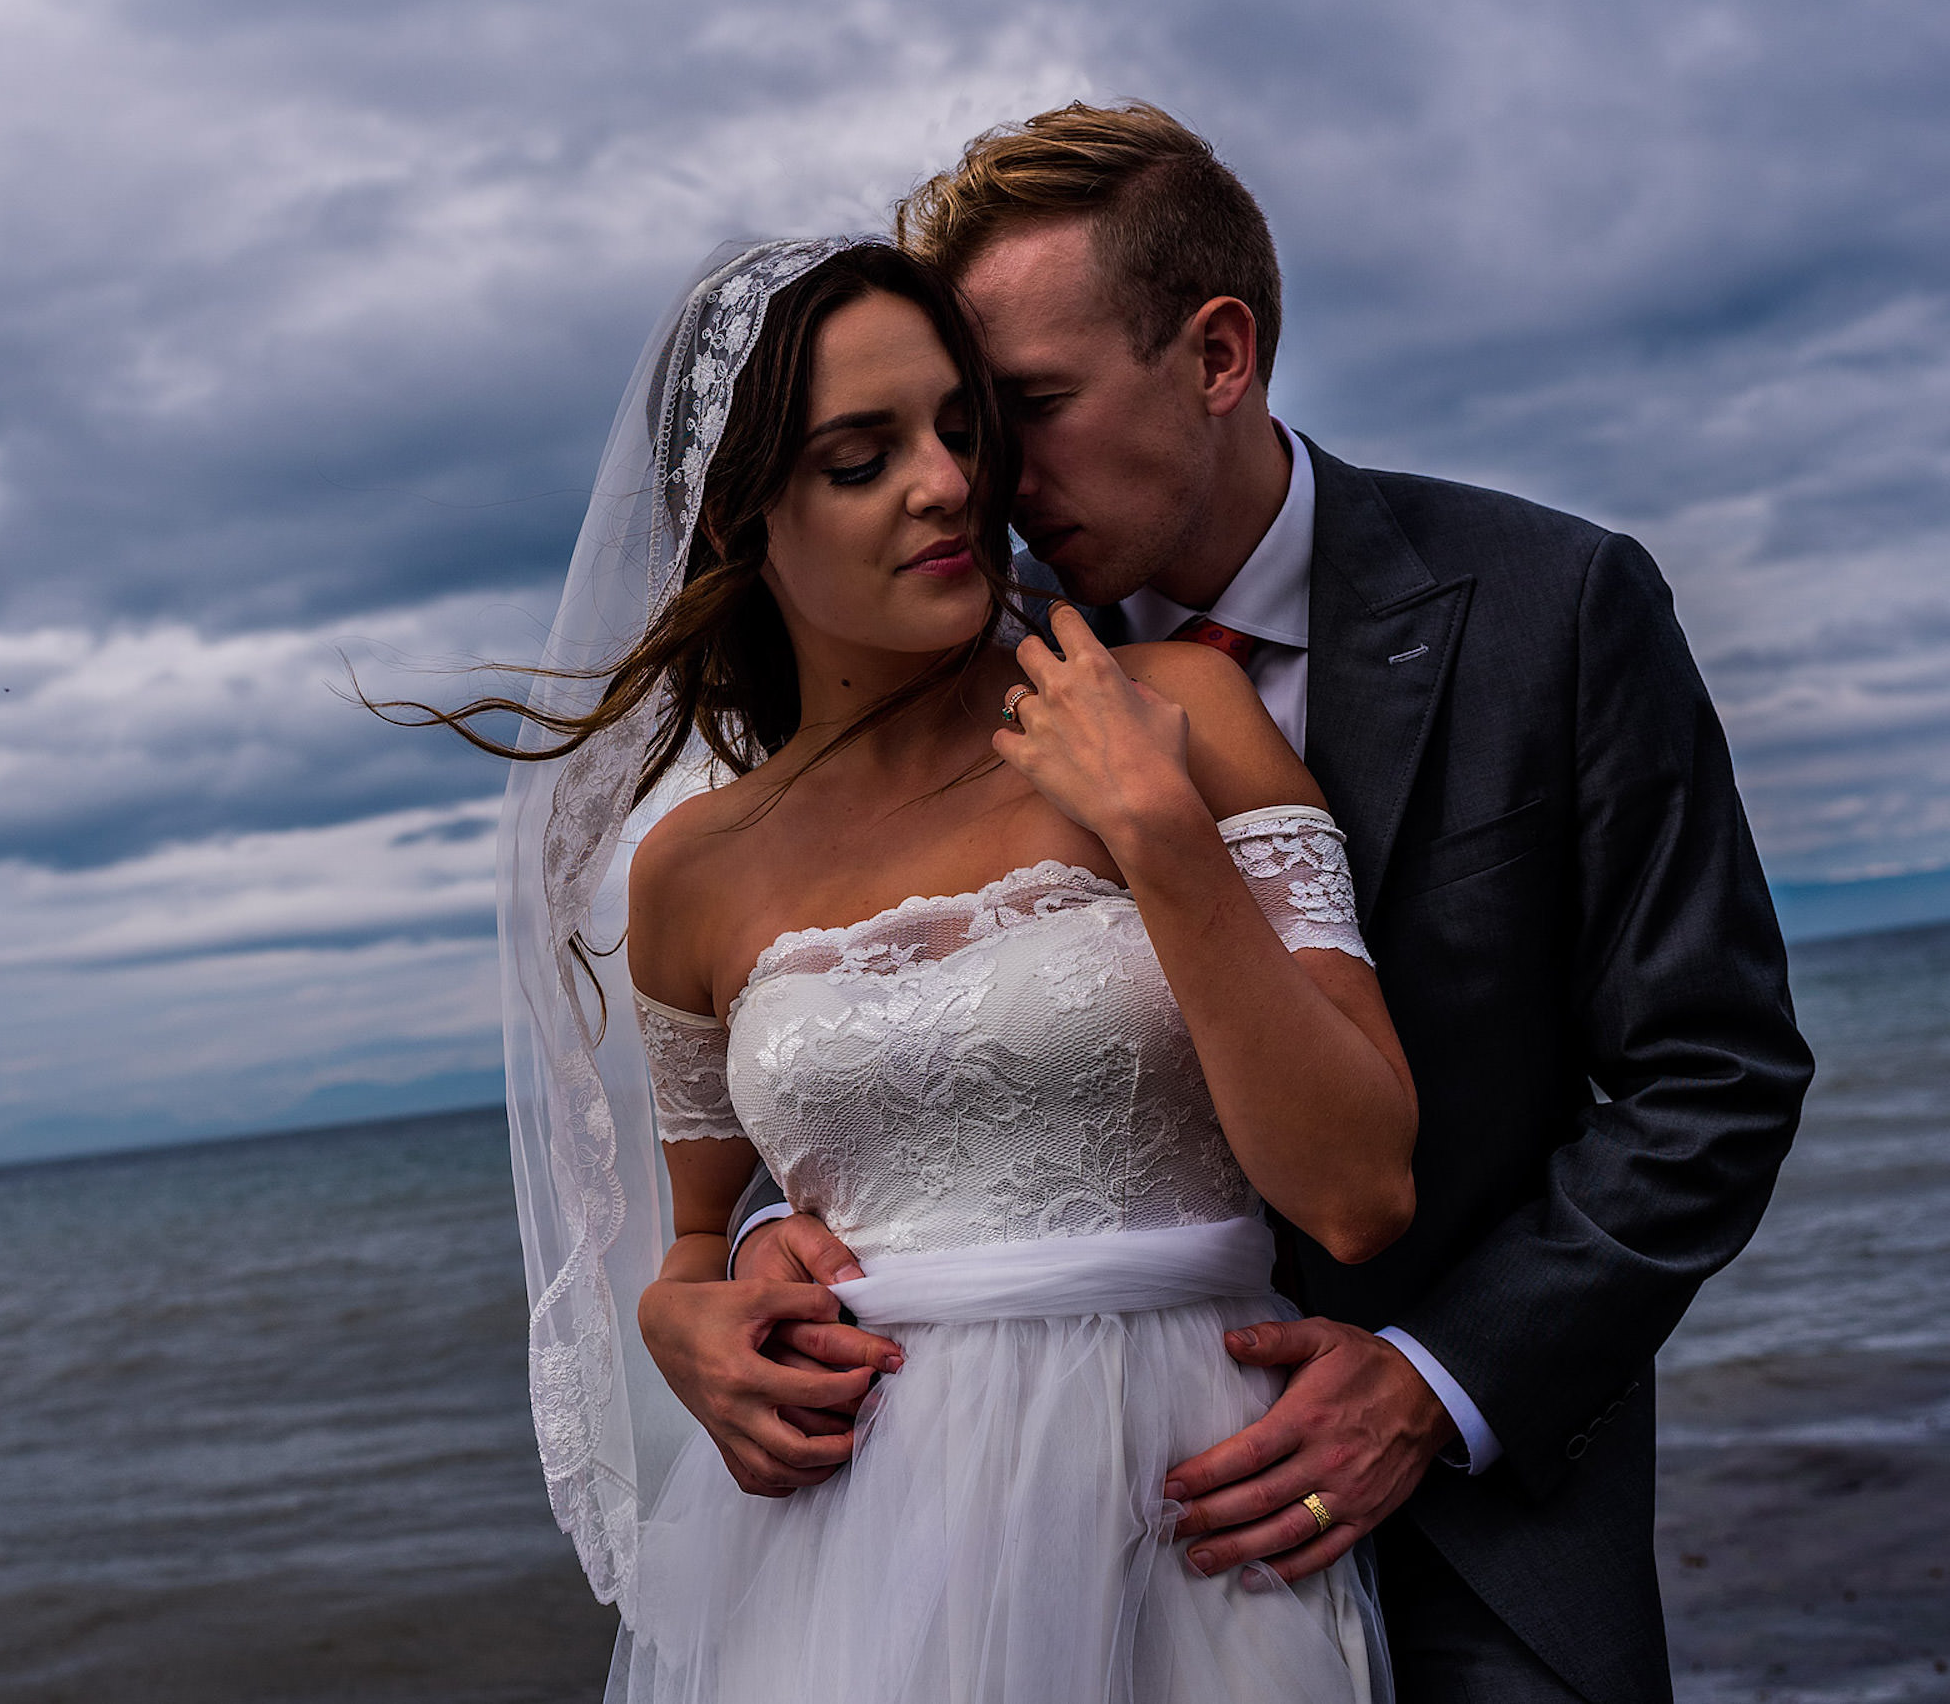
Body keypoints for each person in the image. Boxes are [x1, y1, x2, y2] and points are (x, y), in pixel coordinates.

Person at [652, 104, 1816, 1703]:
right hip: (1007, 1544)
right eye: (964, 423)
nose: (982, 477)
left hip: (1488, 1512)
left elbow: (1715, 1075)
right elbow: (867, 1037)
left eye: (1027, 409)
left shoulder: (1556, 607)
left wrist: (1435, 1380)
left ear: (1218, 355)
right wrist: (756, 1254)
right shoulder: (944, 654)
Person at [400, 234, 1421, 1699]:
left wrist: (1158, 831)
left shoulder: (1173, 708)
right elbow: (699, 1236)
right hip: (846, 1564)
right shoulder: (691, 870)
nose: (945, 483)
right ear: (745, 517)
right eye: (859, 457)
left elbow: (1359, 1189)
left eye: (958, 428)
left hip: (1191, 1520)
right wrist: (681, 1314)